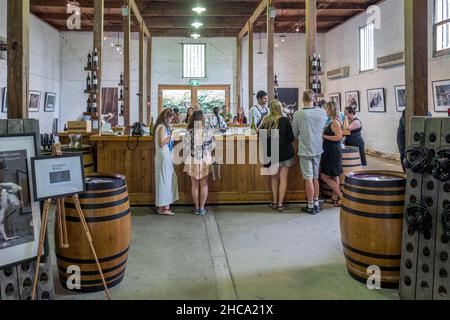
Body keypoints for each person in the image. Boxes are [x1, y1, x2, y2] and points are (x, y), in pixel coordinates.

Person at [292, 90, 327, 215]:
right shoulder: (322, 112)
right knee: (315, 177)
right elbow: (324, 127)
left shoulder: (298, 114)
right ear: (314, 99)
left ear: (303, 99)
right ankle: (317, 203)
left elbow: (294, 134)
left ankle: (310, 205)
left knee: (308, 178)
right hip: (318, 147)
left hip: (305, 148)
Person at [259, 100, 295, 212]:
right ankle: (280, 204)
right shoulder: (285, 120)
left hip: (272, 152)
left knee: (274, 178)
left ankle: (274, 202)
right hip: (285, 152)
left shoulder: (266, 120)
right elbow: (291, 138)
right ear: (280, 108)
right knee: (283, 179)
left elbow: (261, 136)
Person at [183, 111, 215, 215]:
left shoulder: (189, 132)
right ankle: (202, 208)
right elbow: (212, 146)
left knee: (194, 185)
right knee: (204, 184)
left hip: (193, 159)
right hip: (205, 159)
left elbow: (186, 147)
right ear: (202, 119)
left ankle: (196, 208)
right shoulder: (208, 131)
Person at [154, 109, 179, 215]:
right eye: (170, 118)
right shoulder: (162, 127)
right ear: (165, 117)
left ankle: (165, 206)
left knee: (166, 180)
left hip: (165, 156)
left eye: (172, 119)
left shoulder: (162, 126)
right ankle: (163, 208)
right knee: (164, 181)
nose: (171, 121)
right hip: (163, 156)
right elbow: (161, 142)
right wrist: (172, 135)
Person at [321, 102, 344, 207]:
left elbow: (339, 137)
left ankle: (341, 196)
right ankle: (334, 197)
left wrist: (324, 136)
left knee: (324, 176)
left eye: (326, 109)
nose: (325, 111)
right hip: (331, 150)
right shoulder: (331, 120)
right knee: (334, 175)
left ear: (331, 110)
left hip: (332, 151)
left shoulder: (335, 122)